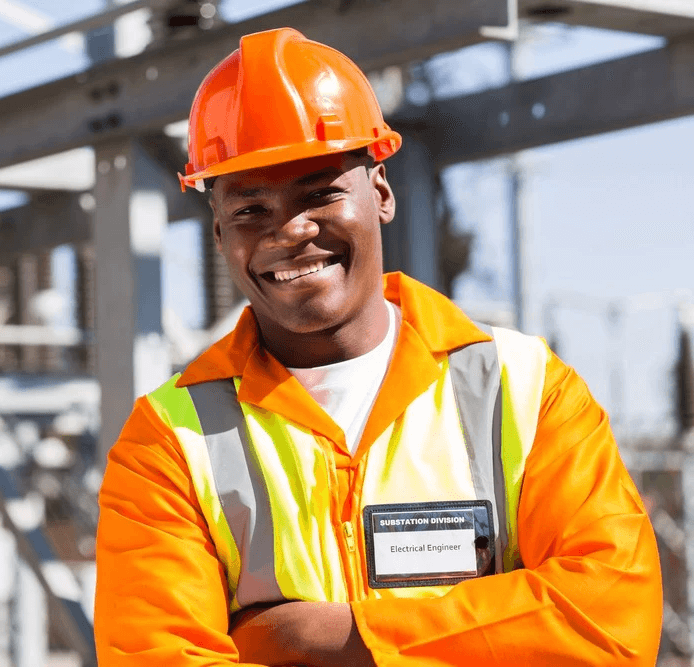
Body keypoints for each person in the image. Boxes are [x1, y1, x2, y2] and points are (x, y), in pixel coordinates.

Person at [94, 27, 662, 666]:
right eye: (251, 209)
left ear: (381, 194)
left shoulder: (526, 390)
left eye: (321, 192)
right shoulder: (166, 442)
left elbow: (610, 622)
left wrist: (311, 638)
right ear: (220, 233)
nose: (292, 231)